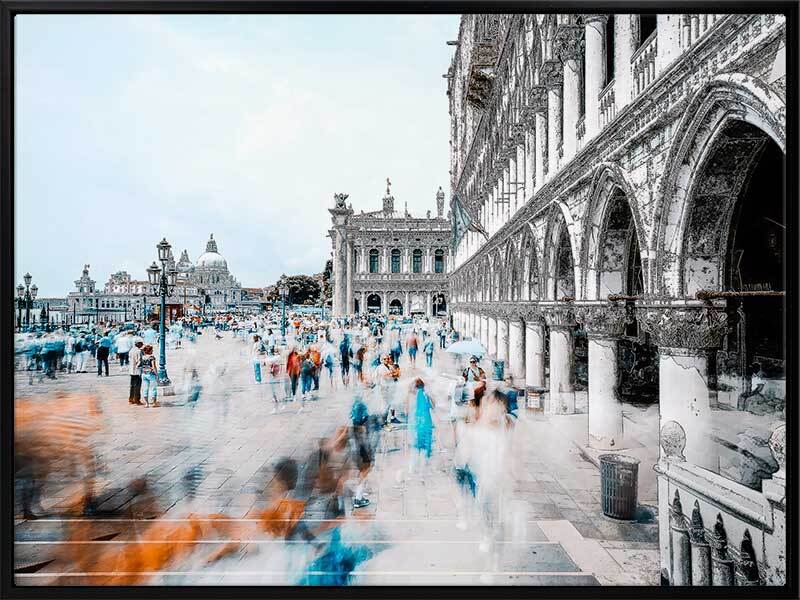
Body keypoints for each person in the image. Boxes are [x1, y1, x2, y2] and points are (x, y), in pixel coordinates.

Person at [407, 378, 435, 475]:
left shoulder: (413, 395)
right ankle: (423, 467)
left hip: (415, 422)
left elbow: (408, 409)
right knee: (425, 445)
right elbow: (433, 406)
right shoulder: (425, 394)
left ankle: (413, 468)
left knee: (416, 445)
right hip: (426, 422)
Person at [128, 341, 144, 405]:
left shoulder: (131, 350)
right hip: (137, 370)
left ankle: (131, 399)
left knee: (132, 385)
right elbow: (139, 361)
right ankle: (137, 400)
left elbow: (129, 359)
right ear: (139, 344)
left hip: (131, 370)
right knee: (137, 386)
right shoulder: (139, 351)